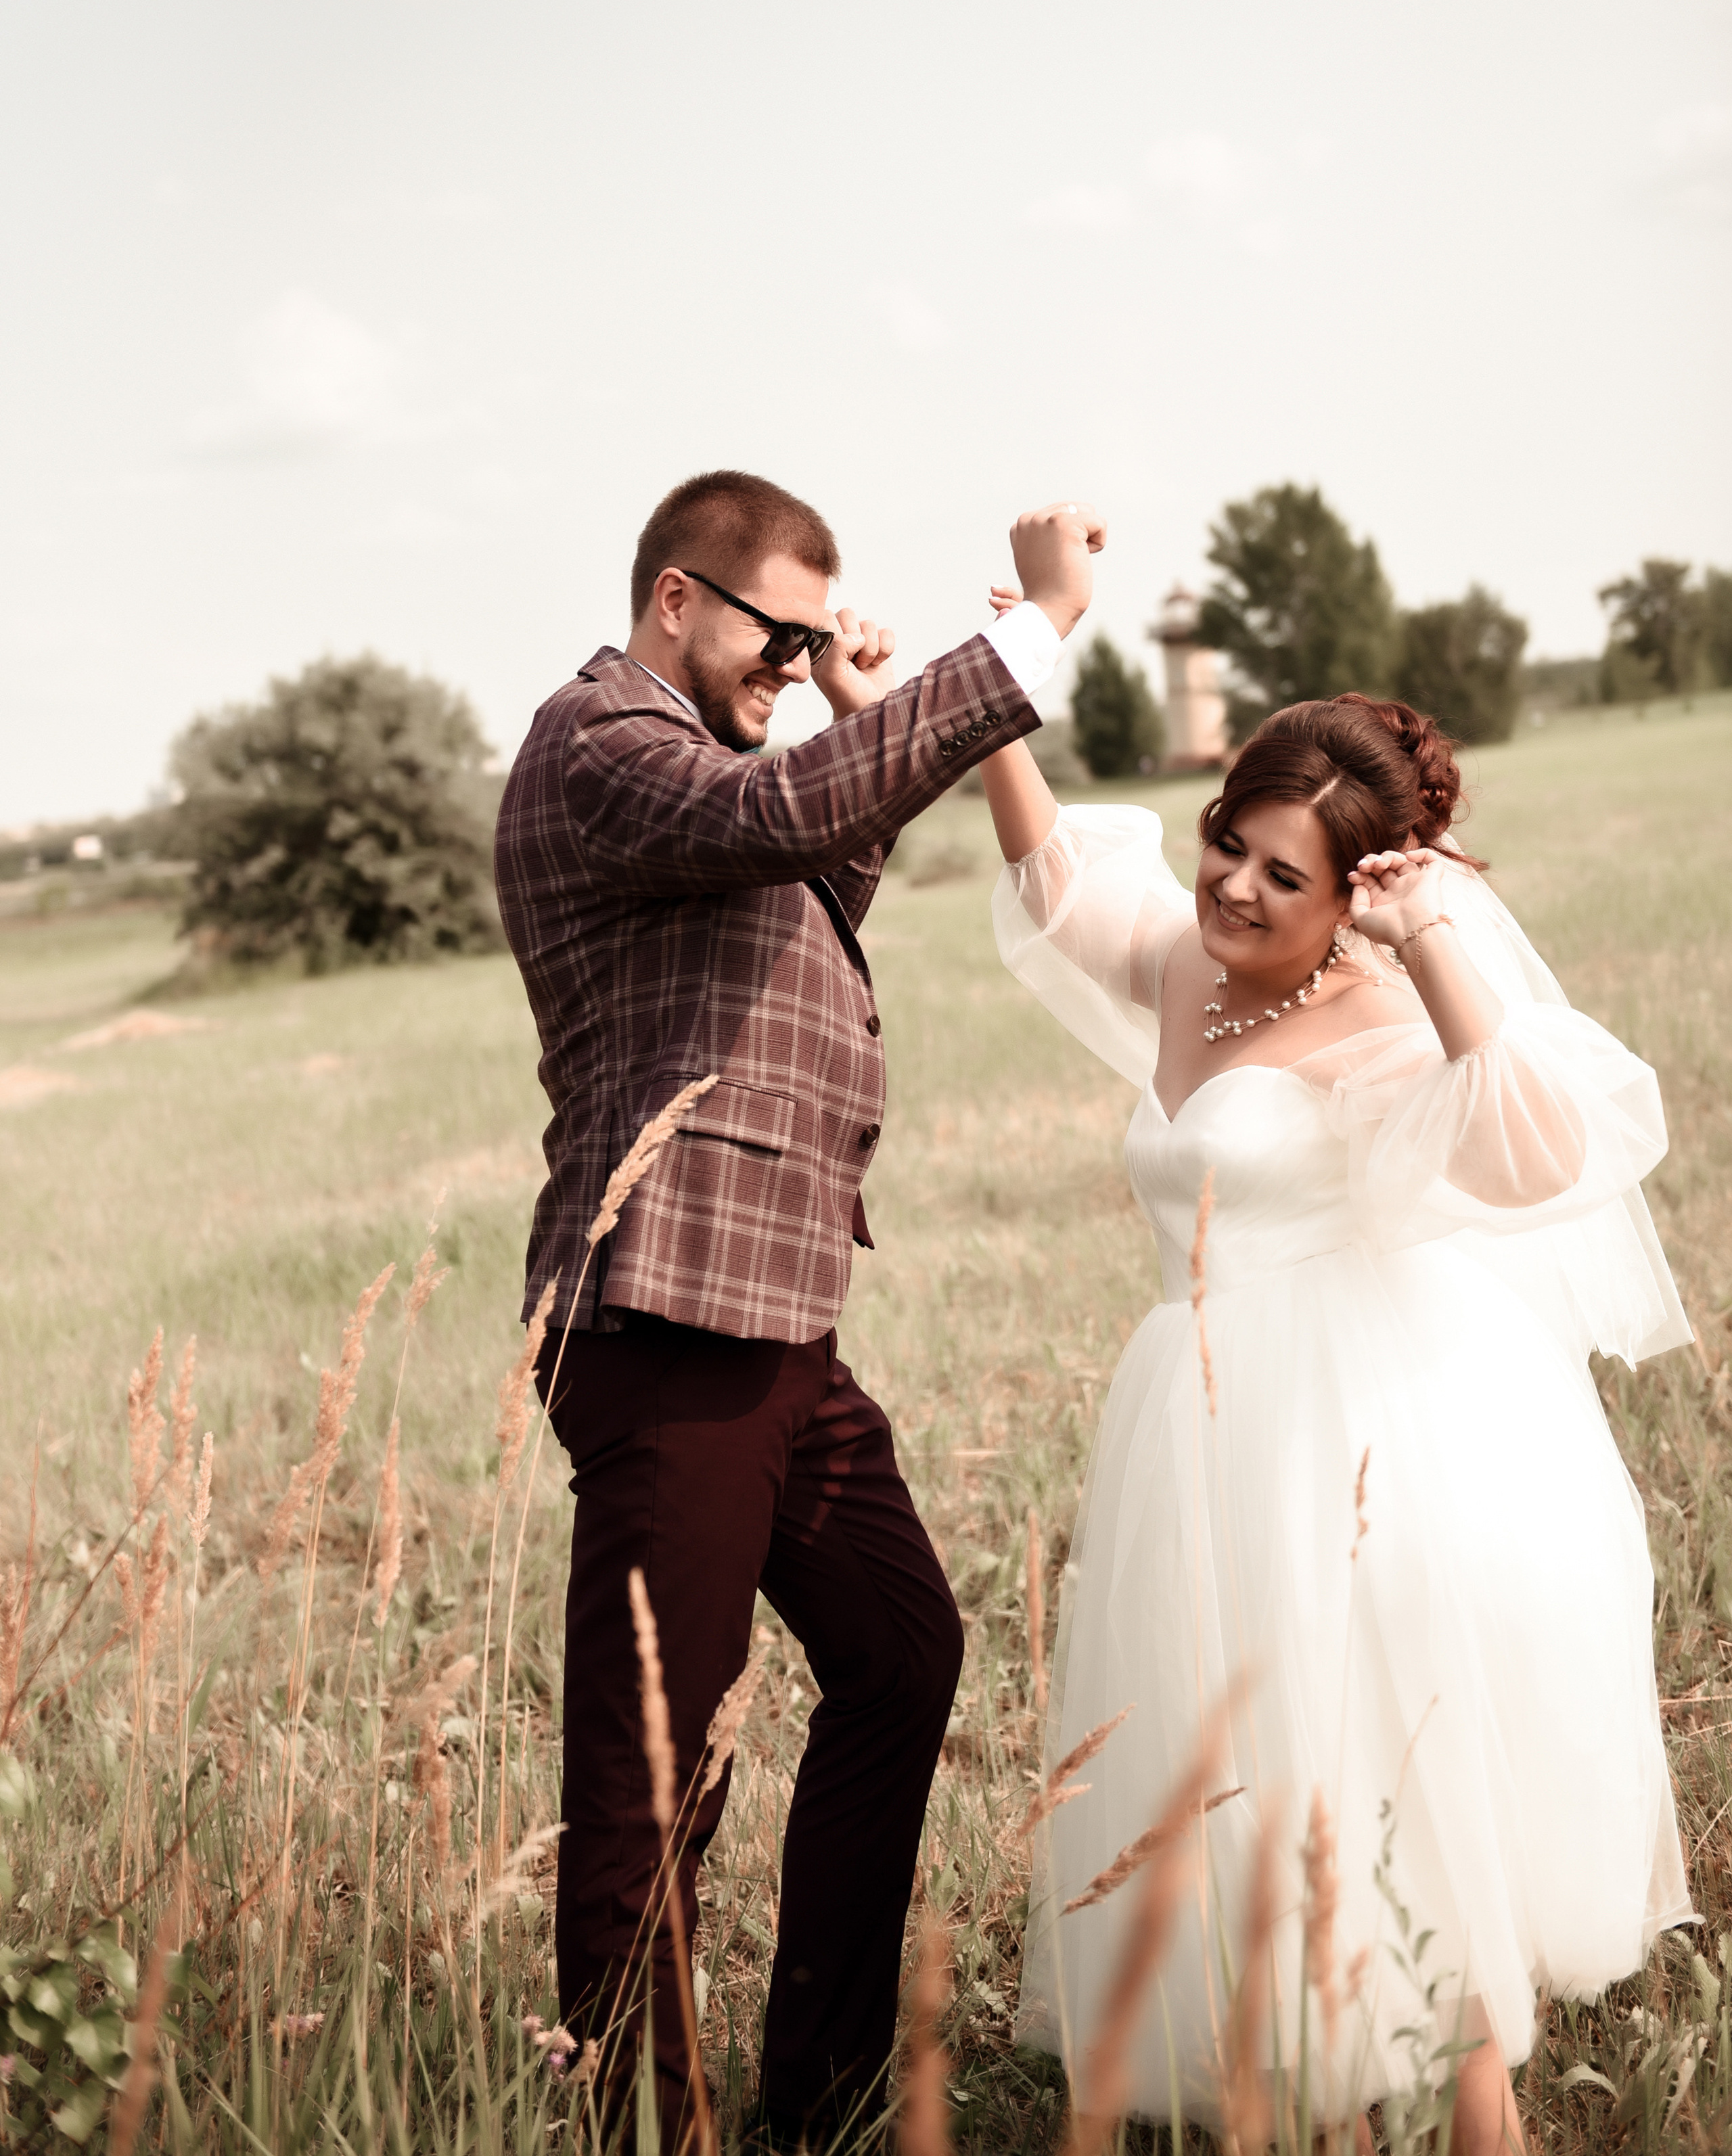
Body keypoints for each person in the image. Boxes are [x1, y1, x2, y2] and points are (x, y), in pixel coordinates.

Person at [977, 689, 1693, 2155]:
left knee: (1381, 1761)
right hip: (1198, 1428)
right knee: (1261, 1770)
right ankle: (1341, 2111)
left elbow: (1538, 1150)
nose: (1234, 885)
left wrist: (1427, 941)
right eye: (1224, 843)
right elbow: (1061, 897)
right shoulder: (1188, 961)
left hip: (1354, 1427)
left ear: (1351, 892)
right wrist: (981, 721)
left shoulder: (1377, 1021)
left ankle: (1486, 2124)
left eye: (1281, 873)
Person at [493, 470, 1105, 2145]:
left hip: (775, 1327)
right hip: (669, 1322)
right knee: (652, 1772)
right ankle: (635, 2120)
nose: (796, 662)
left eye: (821, 635)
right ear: (676, 598)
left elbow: (804, 885)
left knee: (903, 1654)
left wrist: (865, 716)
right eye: (781, 630)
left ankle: (815, 2097)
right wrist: (1026, 628)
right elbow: (773, 827)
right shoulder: (599, 743)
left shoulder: (702, 777)